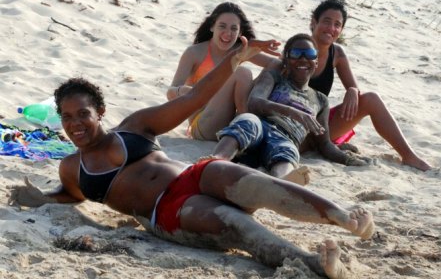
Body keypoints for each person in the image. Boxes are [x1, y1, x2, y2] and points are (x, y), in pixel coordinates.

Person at [8, 38, 375, 279]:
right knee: (240, 229)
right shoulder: (72, 167)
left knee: (261, 185)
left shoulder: (135, 127)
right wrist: (36, 199)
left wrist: (235, 58)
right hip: (167, 213)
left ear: (99, 112)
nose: (75, 125)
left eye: (82, 114)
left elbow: (194, 98)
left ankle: (344, 218)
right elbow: (69, 195)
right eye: (67, 117)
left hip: (196, 175)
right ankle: (315, 265)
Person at [212, 33, 370, 186]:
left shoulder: (321, 100)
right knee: (246, 121)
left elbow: (324, 144)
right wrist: (292, 112)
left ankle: (283, 184)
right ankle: (214, 161)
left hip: (288, 138)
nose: (303, 59)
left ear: (316, 61)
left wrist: (348, 160)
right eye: (296, 54)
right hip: (261, 125)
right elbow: (254, 102)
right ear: (286, 60)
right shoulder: (273, 77)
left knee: (288, 153)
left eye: (309, 54)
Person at [308, 0, 432, 171]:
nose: (331, 29)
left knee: (371, 99)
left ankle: (409, 157)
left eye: (337, 25)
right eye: (327, 22)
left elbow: (355, 89)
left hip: (321, 125)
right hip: (295, 123)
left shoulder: (337, 53)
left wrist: (352, 90)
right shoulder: (298, 47)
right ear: (314, 21)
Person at [167, 2, 276, 141]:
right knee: (242, 72)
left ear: (240, 32)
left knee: (255, 74)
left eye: (234, 28)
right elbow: (170, 92)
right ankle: (248, 124)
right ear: (212, 26)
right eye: (222, 26)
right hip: (202, 124)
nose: (228, 33)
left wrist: (257, 86)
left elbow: (275, 64)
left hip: (230, 121)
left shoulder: (240, 49)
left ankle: (246, 122)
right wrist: (189, 92)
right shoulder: (195, 53)